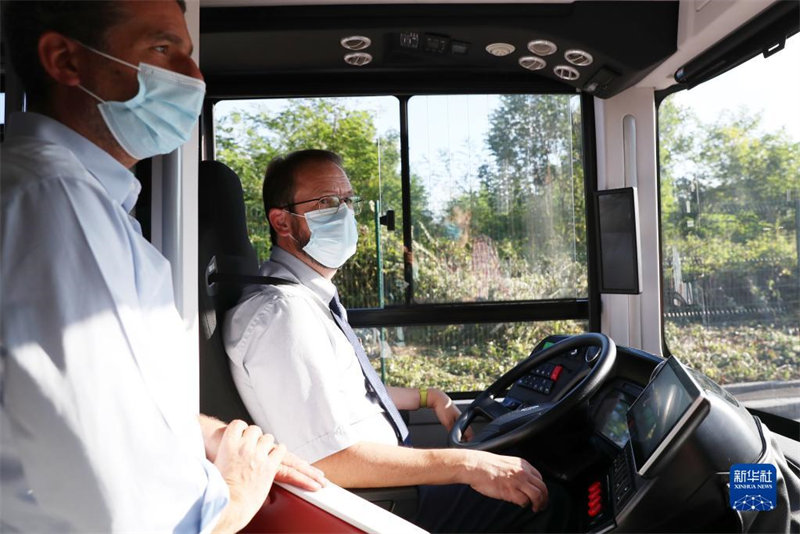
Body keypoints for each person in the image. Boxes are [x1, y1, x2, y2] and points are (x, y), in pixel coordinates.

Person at [0, 2, 325, 532]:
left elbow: (103, 398)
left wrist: (207, 434)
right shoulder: (53, 200)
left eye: (189, 55)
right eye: (161, 49)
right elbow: (114, 500)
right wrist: (234, 497)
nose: (194, 76)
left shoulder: (86, 201)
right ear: (65, 60)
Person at [225, 149, 569, 532]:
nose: (345, 213)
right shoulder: (282, 315)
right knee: (551, 501)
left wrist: (431, 397)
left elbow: (347, 391)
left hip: (389, 488)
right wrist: (466, 466)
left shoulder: (306, 299)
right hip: (381, 504)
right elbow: (328, 458)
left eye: (348, 201)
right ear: (282, 222)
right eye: (326, 202)